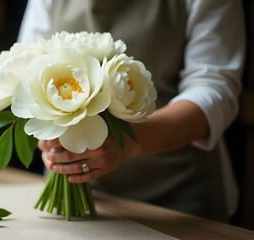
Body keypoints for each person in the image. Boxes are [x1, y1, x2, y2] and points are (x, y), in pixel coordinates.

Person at [17, 0, 246, 222]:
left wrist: (129, 140)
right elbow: (27, 68)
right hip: (80, 200)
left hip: (177, 200)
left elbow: (214, 88)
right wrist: (47, 132)